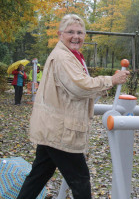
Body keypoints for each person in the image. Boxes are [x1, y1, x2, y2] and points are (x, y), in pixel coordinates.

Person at [17, 14, 129, 199]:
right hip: (61, 129)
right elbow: (79, 86)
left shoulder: (70, 55)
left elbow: (75, 87)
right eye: (70, 32)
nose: (76, 36)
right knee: (80, 180)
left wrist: (105, 84)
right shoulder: (63, 57)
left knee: (39, 175)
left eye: (80, 32)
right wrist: (111, 80)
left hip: (52, 126)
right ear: (60, 34)